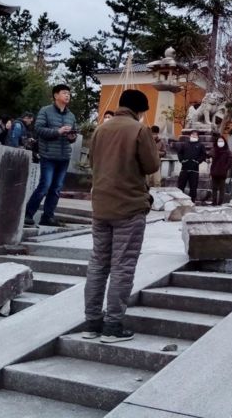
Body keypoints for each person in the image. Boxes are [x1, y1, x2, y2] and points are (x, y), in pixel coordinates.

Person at [84, 89, 159, 343]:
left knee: (98, 264)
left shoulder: (100, 129)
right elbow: (151, 165)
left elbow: (93, 163)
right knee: (122, 266)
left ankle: (92, 322)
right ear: (140, 110)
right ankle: (112, 325)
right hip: (129, 207)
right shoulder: (139, 130)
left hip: (101, 207)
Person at [24, 84, 77, 227]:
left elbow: (74, 134)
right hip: (48, 155)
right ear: (56, 95)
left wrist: (72, 137)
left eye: (69, 93)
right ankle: (28, 214)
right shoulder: (45, 111)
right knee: (45, 185)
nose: (67, 95)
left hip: (64, 156)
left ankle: (48, 216)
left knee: (56, 188)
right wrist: (58, 132)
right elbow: (38, 129)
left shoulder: (71, 115)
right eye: (64, 93)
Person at [177, 130, 207, 202]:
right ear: (190, 136)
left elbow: (203, 155)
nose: (194, 136)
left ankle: (192, 201)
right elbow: (180, 153)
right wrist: (182, 160)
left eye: (195, 135)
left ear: (198, 137)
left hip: (194, 169)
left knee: (193, 187)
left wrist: (198, 161)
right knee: (181, 186)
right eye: (192, 134)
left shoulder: (200, 145)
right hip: (184, 168)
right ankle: (179, 200)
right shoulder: (185, 144)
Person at [210, 134, 232, 206]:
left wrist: (225, 168)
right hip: (214, 171)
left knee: (222, 188)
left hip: (223, 172)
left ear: (224, 142)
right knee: (214, 188)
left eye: (221, 141)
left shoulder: (227, 151)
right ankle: (214, 201)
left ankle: (220, 202)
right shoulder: (214, 150)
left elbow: (230, 162)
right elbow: (209, 157)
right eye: (219, 141)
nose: (220, 142)